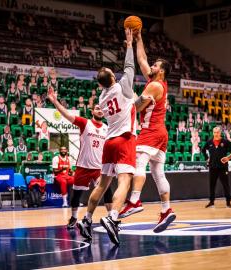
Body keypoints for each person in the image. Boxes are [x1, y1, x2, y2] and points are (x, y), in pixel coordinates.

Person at [77, 28, 136, 245]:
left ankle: (87, 219)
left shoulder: (102, 98)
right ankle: (112, 218)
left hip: (108, 143)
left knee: (102, 185)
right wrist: (129, 44)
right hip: (124, 139)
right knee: (125, 181)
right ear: (112, 77)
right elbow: (130, 67)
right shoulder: (123, 88)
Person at [118, 30, 175, 233]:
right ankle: (166, 210)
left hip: (151, 130)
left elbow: (137, 107)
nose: (151, 66)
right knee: (158, 172)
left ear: (161, 72)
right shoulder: (158, 82)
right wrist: (137, 39)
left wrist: (129, 93)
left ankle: (134, 200)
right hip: (161, 132)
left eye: (155, 66)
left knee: (138, 162)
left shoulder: (154, 87)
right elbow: (142, 59)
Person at [48, 87, 112, 229]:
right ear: (92, 111)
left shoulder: (107, 128)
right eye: (97, 108)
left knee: (107, 191)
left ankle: (112, 219)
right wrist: (55, 102)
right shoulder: (85, 123)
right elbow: (66, 115)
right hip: (83, 166)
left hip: (99, 168)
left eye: (102, 108)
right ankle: (74, 217)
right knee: (76, 195)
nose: (100, 110)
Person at [202, 126, 231, 208]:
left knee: (225, 185)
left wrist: (229, 158)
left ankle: (228, 202)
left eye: (217, 132)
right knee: (212, 185)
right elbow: (203, 150)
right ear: (213, 133)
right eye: (214, 132)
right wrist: (207, 158)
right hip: (212, 167)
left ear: (220, 133)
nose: (216, 134)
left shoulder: (225, 142)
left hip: (223, 167)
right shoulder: (209, 142)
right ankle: (211, 202)